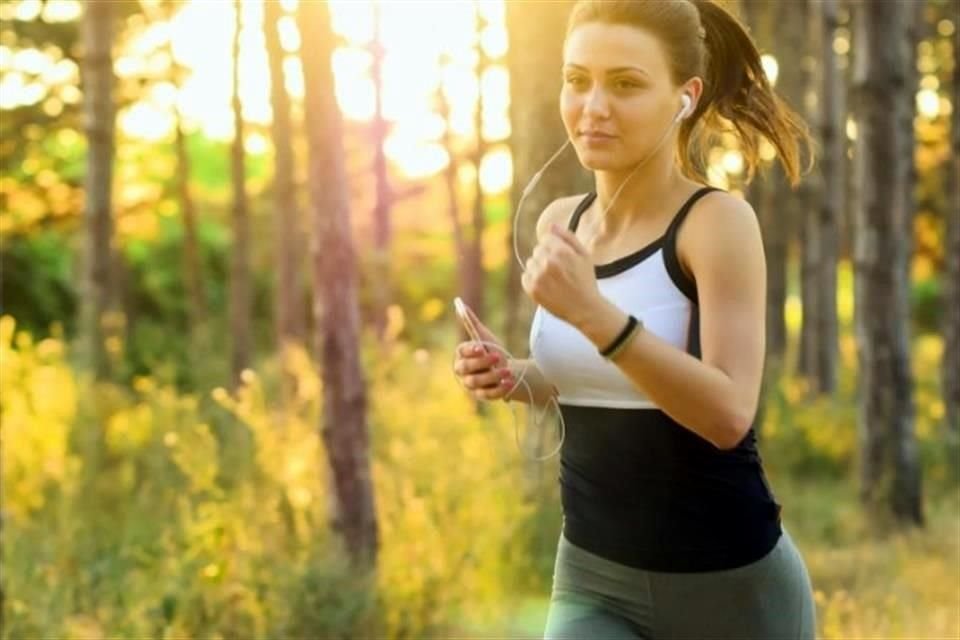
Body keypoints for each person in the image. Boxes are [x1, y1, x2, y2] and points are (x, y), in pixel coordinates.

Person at [453, 0, 816, 638]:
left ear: (685, 95)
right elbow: (593, 379)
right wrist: (515, 376)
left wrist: (595, 316)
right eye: (577, 80)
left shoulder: (715, 224)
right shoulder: (559, 222)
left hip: (730, 587)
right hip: (593, 577)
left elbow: (728, 414)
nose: (593, 106)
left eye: (625, 84)